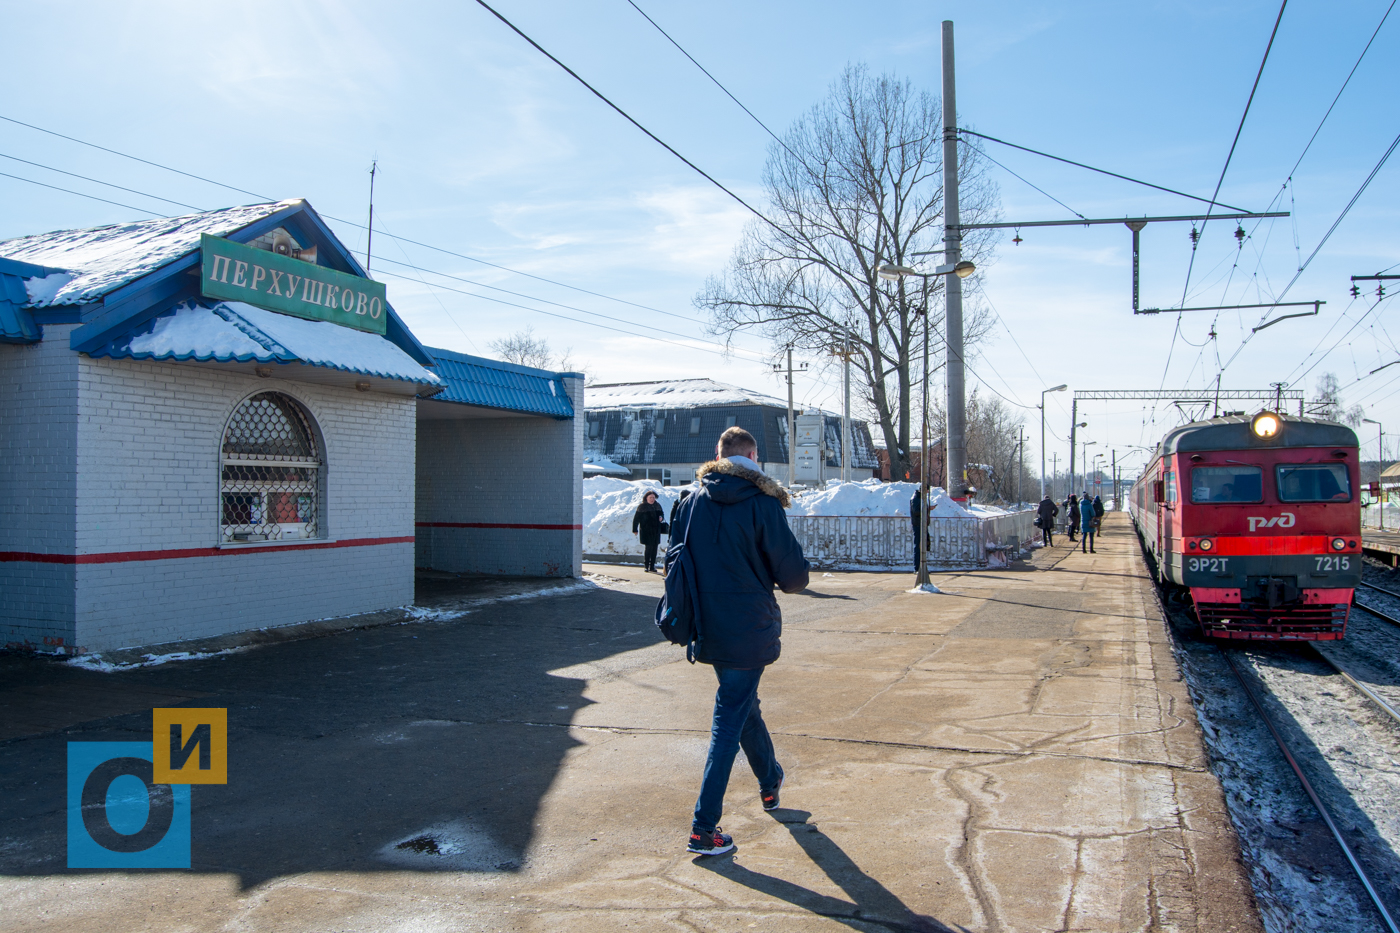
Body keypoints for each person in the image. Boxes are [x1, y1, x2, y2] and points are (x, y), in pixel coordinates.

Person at [670, 426, 809, 856]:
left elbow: (676, 560)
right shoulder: (763, 502)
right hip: (748, 627)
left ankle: (771, 782)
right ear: (753, 456)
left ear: (719, 455)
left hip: (706, 625)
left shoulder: (691, 500)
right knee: (729, 719)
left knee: (743, 706)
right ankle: (703, 827)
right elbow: (792, 578)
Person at [632, 490, 665, 572]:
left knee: (654, 548)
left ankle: (652, 566)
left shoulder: (657, 505)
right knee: (648, 548)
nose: (652, 499)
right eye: (650, 497)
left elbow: (662, 514)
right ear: (646, 498)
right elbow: (636, 519)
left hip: (656, 530)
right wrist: (635, 529)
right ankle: (646, 565)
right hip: (646, 530)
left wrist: (661, 517)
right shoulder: (642, 506)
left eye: (653, 497)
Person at [909, 487, 925, 569]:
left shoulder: (918, 498)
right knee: (918, 546)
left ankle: (919, 566)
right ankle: (917, 567)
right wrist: (925, 510)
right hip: (917, 524)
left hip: (919, 524)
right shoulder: (916, 499)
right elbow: (916, 512)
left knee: (921, 546)